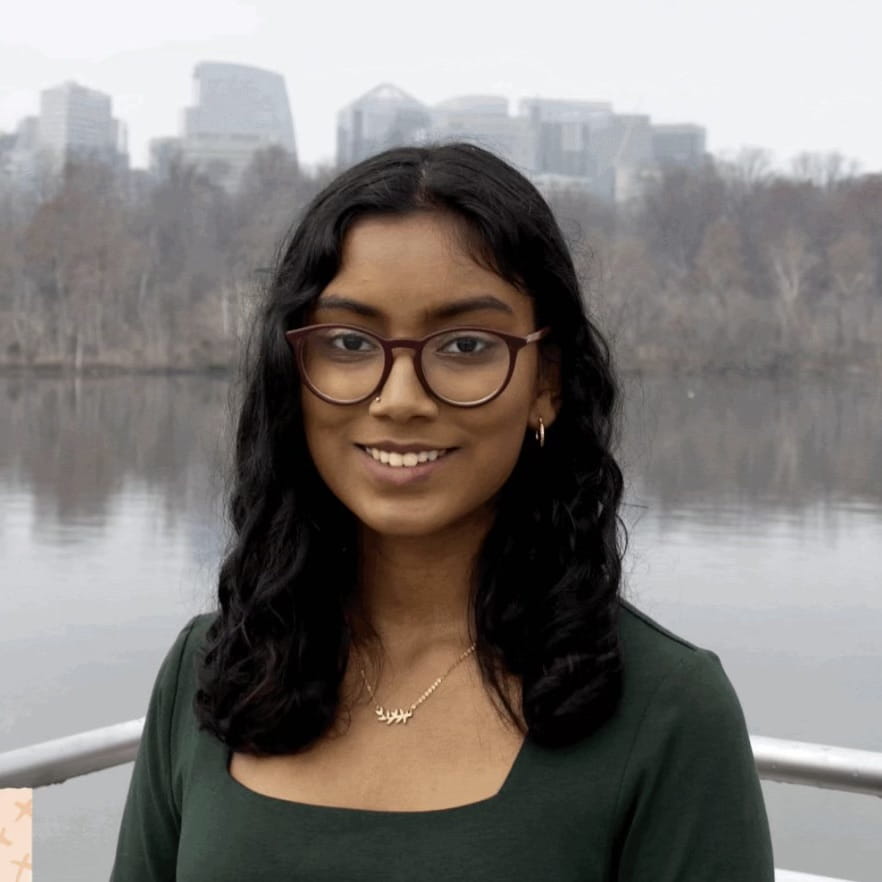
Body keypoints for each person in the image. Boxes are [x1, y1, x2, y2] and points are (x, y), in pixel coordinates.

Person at [110, 143, 774, 881]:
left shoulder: (668, 711)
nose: (399, 398)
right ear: (292, 372)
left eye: (464, 344)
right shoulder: (214, 668)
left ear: (546, 382)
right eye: (350, 342)